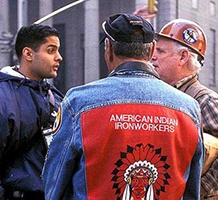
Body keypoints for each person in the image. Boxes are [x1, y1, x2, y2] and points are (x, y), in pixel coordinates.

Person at [42, 13, 204, 200]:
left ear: (108, 48)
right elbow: (192, 191)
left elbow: (54, 182)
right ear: (151, 51)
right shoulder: (189, 109)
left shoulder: (78, 102)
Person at [152, 18, 218, 200]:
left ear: (183, 57)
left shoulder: (206, 101)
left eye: (160, 51)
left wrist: (200, 189)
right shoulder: (160, 96)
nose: (153, 56)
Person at [0, 24, 64, 200]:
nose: (59, 57)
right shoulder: (4, 98)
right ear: (28, 54)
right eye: (51, 50)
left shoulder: (56, 98)